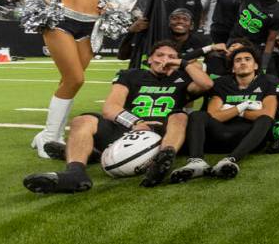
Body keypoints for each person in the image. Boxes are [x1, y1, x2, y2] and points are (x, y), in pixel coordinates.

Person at [0, 0, 138, 157]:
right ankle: (51, 137)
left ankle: (49, 136)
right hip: (60, 21)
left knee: (70, 82)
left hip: (91, 27)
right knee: (75, 78)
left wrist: (112, 5)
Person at [22, 40, 213, 193]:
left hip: (163, 133)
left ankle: (163, 160)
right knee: (82, 120)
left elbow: (207, 85)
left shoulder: (182, 78)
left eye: (171, 56)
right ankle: (75, 173)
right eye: (160, 55)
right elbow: (110, 107)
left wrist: (183, 63)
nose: (165, 59)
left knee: (180, 116)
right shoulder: (130, 75)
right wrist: (136, 123)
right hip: (128, 128)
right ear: (149, 59)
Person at [170, 46, 279, 181]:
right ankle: (196, 161)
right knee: (197, 115)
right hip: (219, 135)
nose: (243, 62)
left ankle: (230, 160)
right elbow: (214, 115)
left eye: (247, 59)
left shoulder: (267, 83)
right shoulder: (223, 83)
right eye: (238, 60)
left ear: (256, 65)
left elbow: (267, 114)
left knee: (265, 120)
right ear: (233, 68)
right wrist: (243, 106)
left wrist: (234, 110)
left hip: (247, 138)